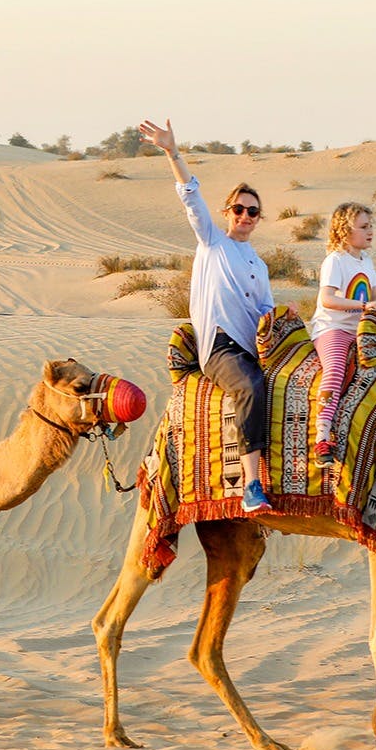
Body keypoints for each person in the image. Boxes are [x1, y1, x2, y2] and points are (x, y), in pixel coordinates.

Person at [139, 118, 281, 513]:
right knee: (251, 388)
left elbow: (266, 310)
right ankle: (252, 485)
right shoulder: (212, 242)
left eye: (253, 211)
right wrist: (172, 151)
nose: (246, 216)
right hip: (221, 348)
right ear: (227, 212)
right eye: (239, 209)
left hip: (253, 345)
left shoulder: (258, 263)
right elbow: (190, 196)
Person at [308, 202, 376, 464]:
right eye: (364, 227)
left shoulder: (365, 260)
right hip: (333, 328)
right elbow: (328, 299)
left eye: (371, 226)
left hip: (361, 328)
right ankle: (322, 436)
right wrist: (364, 306)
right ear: (345, 232)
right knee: (334, 369)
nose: (371, 232)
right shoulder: (335, 261)